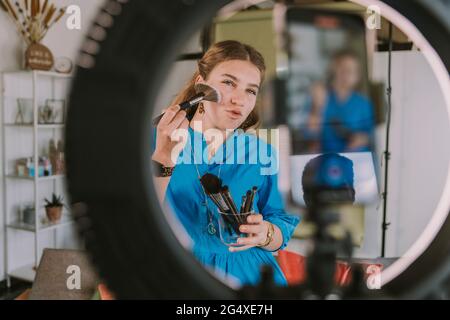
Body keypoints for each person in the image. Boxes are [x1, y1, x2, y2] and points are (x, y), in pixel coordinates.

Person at [151, 40, 300, 286]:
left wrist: (265, 234)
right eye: (229, 83)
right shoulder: (157, 140)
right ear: (201, 85)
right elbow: (134, 216)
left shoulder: (264, 154)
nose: (239, 100)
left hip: (250, 277)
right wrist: (164, 159)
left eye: (251, 90)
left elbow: (282, 222)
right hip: (175, 273)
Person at [305, 50, 375, 153]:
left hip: (355, 161)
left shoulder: (364, 104)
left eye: (351, 71)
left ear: (357, 76)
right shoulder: (320, 97)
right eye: (342, 69)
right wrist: (317, 107)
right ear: (332, 71)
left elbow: (372, 136)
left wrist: (362, 139)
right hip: (327, 161)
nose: (346, 74)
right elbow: (310, 134)